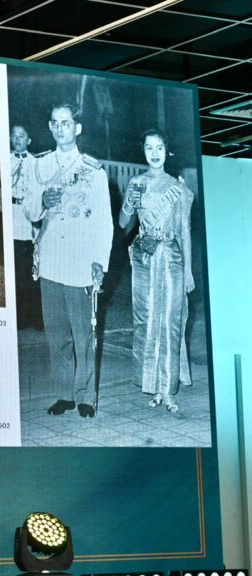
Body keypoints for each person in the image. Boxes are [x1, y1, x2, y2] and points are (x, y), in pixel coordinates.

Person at [24, 103, 113, 418]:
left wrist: (99, 261)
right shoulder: (40, 165)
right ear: (50, 127)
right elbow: (30, 211)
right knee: (57, 334)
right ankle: (64, 394)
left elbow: (104, 221)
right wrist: (41, 201)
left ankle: (85, 396)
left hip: (80, 263)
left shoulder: (94, 170)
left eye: (67, 123)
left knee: (83, 335)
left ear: (78, 128)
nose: (61, 128)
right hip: (50, 261)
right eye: (55, 123)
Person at [118, 128, 194, 413]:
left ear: (167, 150)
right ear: (143, 151)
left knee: (170, 322)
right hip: (145, 258)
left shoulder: (178, 187)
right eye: (149, 147)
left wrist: (189, 271)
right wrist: (130, 201)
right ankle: (154, 386)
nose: (154, 153)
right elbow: (124, 222)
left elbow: (184, 231)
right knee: (148, 320)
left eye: (159, 147)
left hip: (172, 257)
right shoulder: (136, 183)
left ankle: (168, 390)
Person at [10, 125, 42, 329]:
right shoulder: (6, 160)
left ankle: (35, 316)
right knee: (15, 268)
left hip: (28, 217)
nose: (17, 139)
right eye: (14, 135)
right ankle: (18, 317)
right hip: (12, 214)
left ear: (29, 140)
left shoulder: (35, 162)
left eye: (22, 135)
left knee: (30, 267)